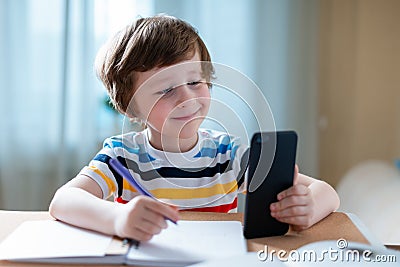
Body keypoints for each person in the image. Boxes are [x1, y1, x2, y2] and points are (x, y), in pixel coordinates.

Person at [49, 15, 340, 242]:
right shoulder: (122, 156)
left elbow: (326, 192)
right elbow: (63, 201)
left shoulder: (228, 154)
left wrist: (308, 207)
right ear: (131, 109)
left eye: (194, 82)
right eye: (165, 90)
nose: (187, 99)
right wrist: (118, 218)